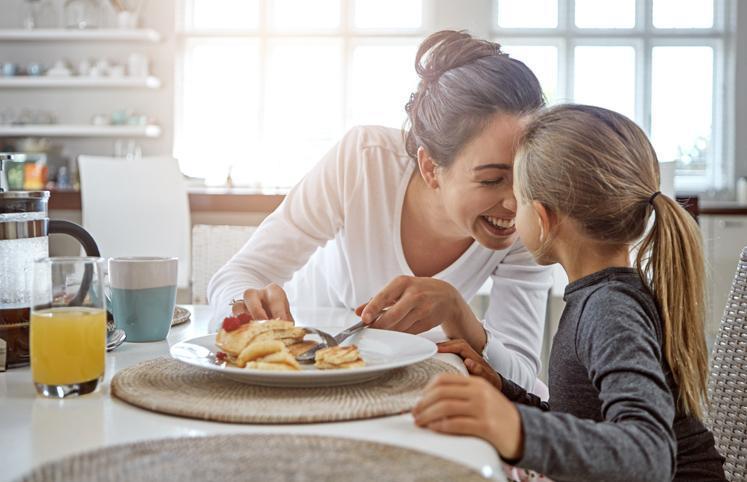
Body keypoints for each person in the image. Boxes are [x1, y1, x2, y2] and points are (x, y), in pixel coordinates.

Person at [208, 30, 553, 390]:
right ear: (432, 168)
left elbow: (523, 379)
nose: (516, 202)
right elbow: (242, 272)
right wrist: (241, 311)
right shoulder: (363, 161)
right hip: (304, 366)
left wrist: (457, 312)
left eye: (528, 174)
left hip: (407, 376)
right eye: (491, 180)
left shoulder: (533, 216)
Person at [414, 104, 726, 481]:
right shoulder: (601, 297)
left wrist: (515, 428)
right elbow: (586, 423)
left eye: (518, 195)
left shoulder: (609, 309)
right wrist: (504, 392)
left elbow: (650, 455)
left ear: (544, 218)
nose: (511, 207)